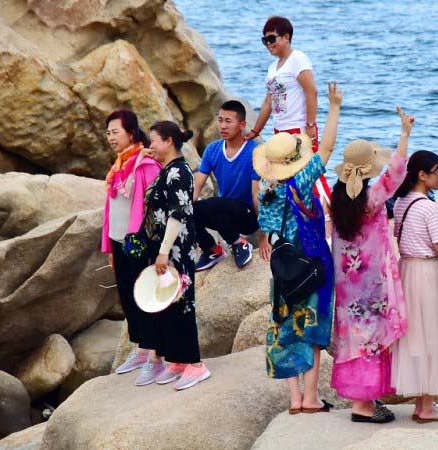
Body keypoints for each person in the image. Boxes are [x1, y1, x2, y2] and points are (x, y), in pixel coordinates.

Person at [253, 81, 343, 413]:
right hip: (312, 264)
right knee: (313, 329)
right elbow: (329, 148)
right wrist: (333, 108)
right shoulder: (302, 182)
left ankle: (293, 399)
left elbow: (266, 227)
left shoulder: (266, 187)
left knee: (284, 329)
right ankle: (310, 398)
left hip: (283, 268)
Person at [330, 106, 415, 424]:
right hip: (373, 288)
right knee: (372, 340)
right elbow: (396, 172)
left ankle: (364, 401)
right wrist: (405, 133)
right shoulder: (371, 199)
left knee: (355, 341)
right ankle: (363, 407)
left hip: (348, 290)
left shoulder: (338, 202)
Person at [245, 16, 333, 237]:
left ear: (286, 37)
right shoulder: (273, 67)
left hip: (299, 129)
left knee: (312, 175)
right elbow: (268, 102)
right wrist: (256, 130)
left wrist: (310, 124)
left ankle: (330, 221)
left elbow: (311, 91)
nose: (268, 43)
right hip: (279, 133)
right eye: (264, 40)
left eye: (272, 38)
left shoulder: (298, 59)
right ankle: (299, 222)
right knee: (285, 179)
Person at [138, 121, 209, 390]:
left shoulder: (179, 172)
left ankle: (195, 363)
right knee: (167, 302)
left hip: (176, 249)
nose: (150, 146)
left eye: (154, 141)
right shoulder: (166, 170)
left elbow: (178, 214)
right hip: (164, 249)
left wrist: (164, 252)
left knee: (183, 303)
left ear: (168, 141)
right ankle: (177, 359)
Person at [390, 150, 438, 422]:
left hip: (406, 268)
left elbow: (397, 234)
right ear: (422, 174)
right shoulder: (428, 206)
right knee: (430, 334)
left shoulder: (401, 202)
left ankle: (421, 401)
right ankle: (426, 406)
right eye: (437, 172)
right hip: (427, 271)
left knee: (414, 335)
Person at [101, 109, 163, 377]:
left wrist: (156, 246)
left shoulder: (146, 164)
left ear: (131, 133)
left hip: (138, 243)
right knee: (127, 297)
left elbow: (154, 209)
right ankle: (140, 349)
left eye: (115, 132)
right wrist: (108, 246)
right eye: (108, 133)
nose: (111, 137)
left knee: (144, 295)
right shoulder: (118, 165)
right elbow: (110, 208)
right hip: (118, 241)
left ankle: (155, 354)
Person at [193, 100, 261, 271]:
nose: (222, 126)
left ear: (242, 125)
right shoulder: (212, 150)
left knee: (218, 203)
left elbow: (256, 194)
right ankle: (212, 250)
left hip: (247, 216)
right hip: (223, 215)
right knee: (187, 209)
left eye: (228, 121)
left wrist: (264, 235)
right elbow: (198, 185)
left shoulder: (254, 152)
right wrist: (186, 210)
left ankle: (240, 244)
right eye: (220, 120)